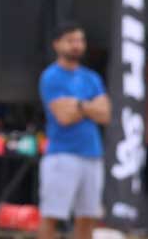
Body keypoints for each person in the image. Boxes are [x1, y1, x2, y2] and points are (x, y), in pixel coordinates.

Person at [37, 21, 110, 239]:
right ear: (57, 44)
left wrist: (77, 105)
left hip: (92, 155)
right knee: (52, 215)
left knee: (88, 216)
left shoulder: (92, 77)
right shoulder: (51, 76)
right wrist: (89, 106)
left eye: (80, 40)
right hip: (62, 155)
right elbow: (64, 117)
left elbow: (105, 114)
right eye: (71, 40)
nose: (77, 45)